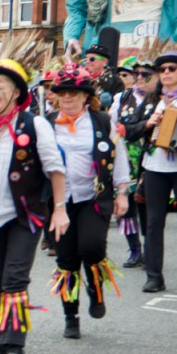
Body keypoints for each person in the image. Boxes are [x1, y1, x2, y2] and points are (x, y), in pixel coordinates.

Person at [0, 40, 68, 354]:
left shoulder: (35, 125)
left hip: (25, 214)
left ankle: (15, 344)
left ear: (16, 92)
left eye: (0, 86)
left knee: (15, 278)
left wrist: (60, 208)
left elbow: (55, 169)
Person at [46, 65, 130, 338]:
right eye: (62, 93)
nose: (68, 97)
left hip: (93, 197)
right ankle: (71, 316)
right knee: (66, 259)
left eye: (74, 92)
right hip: (59, 202)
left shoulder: (101, 122)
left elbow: (118, 156)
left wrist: (122, 192)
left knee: (92, 248)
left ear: (85, 96)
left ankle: (95, 290)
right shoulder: (46, 124)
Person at [134, 45, 177, 292]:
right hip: (155, 167)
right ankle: (154, 276)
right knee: (154, 222)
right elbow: (130, 130)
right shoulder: (151, 101)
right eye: (161, 69)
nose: (166, 73)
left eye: (171, 68)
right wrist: (147, 123)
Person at [111, 53, 157, 268]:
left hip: (149, 156)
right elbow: (114, 127)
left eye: (145, 74)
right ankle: (135, 249)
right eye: (136, 73)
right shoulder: (121, 98)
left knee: (145, 202)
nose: (139, 77)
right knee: (126, 205)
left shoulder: (160, 99)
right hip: (126, 156)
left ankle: (149, 248)